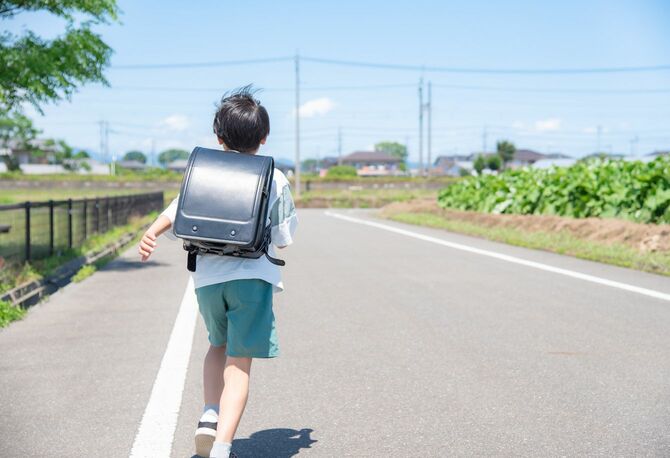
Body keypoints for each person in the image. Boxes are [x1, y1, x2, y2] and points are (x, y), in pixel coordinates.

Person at [138, 86, 298, 458]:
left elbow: (179, 209)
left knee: (216, 345)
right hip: (252, 279)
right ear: (263, 138)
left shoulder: (203, 169)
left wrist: (151, 232)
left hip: (208, 279)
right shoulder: (274, 177)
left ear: (219, 137)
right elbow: (285, 236)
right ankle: (224, 446)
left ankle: (209, 414)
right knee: (239, 361)